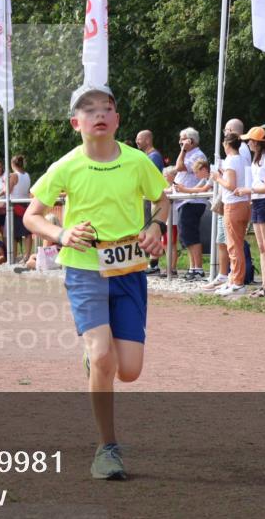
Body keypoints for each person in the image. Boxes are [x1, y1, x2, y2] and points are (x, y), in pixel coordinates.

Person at [24, 83, 168, 481]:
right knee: (104, 356)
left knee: (129, 370)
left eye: (106, 108)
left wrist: (156, 226)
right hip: (84, 269)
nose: (99, 114)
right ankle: (107, 448)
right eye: (89, 110)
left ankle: (95, 360)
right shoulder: (66, 166)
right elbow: (31, 216)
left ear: (117, 119)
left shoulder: (138, 162)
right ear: (76, 123)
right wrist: (61, 234)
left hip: (129, 271)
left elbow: (162, 201)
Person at [237, 127, 265, 296]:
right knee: (261, 246)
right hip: (256, 201)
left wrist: (250, 190)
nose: (248, 143)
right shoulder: (256, 159)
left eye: (250, 141)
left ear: (257, 142)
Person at [209, 133, 251, 295]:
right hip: (243, 203)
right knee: (236, 244)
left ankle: (237, 281)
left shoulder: (231, 160)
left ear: (226, 145)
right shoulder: (243, 159)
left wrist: (218, 178)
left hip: (233, 204)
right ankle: (233, 279)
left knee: (233, 245)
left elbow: (231, 185)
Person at [173, 128, 208, 280]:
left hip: (193, 200)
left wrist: (183, 150)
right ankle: (192, 267)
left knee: (191, 234)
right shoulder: (189, 154)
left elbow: (179, 167)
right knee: (186, 235)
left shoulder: (197, 155)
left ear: (191, 141)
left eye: (183, 139)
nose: (180, 142)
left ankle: (198, 268)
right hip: (185, 200)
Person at [137, 130, 165, 273]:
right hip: (147, 198)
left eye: (139, 139)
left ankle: (153, 264)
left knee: (150, 229)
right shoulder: (148, 156)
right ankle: (150, 262)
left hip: (151, 198)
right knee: (145, 229)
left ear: (148, 140)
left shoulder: (153, 157)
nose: (137, 141)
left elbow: (149, 180)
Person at [10, 155, 33, 263]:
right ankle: (27, 255)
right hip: (25, 204)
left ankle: (14, 256)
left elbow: (8, 190)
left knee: (14, 233)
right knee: (27, 232)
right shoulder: (27, 175)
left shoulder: (14, 175)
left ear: (12, 164)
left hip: (15, 205)